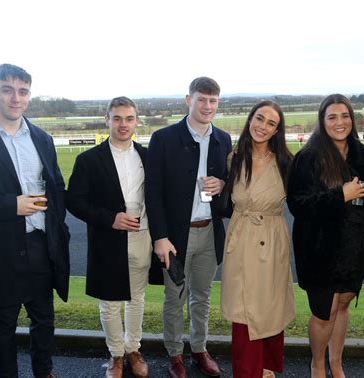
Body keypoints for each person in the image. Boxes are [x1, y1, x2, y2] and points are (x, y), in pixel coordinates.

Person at [0, 63, 70, 378]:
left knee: (44, 320)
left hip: (40, 246)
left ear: (29, 95)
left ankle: (44, 372)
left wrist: (56, 227)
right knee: (3, 325)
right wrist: (9, 206)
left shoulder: (41, 137)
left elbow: (56, 187)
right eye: (7, 90)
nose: (15, 98)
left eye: (22, 91)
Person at [145, 77, 232, 378]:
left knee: (202, 296)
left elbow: (228, 184)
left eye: (213, 101)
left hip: (209, 231)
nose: (207, 106)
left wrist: (222, 183)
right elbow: (152, 193)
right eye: (202, 99)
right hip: (175, 236)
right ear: (188, 100)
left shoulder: (223, 139)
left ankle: (199, 348)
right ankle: (175, 355)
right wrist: (160, 237)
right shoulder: (164, 138)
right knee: (174, 297)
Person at [287, 94, 364, 378]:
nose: (340, 122)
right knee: (325, 311)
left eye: (344, 115)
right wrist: (341, 196)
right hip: (320, 250)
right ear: (322, 122)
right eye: (332, 117)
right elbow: (297, 205)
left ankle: (336, 363)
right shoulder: (308, 157)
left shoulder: (362, 154)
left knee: (344, 304)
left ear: (352, 118)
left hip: (354, 247)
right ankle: (318, 364)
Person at [66, 97, 152, 378]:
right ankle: (115, 354)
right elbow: (74, 202)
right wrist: (109, 219)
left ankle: (133, 348)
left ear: (136, 121)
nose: (123, 124)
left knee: (137, 298)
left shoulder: (147, 157)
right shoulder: (88, 159)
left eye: (128, 118)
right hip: (107, 239)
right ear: (107, 120)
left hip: (141, 238)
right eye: (117, 118)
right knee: (110, 303)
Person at [220, 101, 295, 377]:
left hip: (272, 240)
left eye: (271, 123)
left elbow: (307, 198)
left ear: (277, 130)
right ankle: (247, 372)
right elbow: (226, 198)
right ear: (250, 119)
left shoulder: (287, 162)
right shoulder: (234, 158)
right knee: (243, 313)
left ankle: (267, 369)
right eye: (259, 118)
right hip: (241, 240)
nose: (262, 126)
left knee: (271, 308)